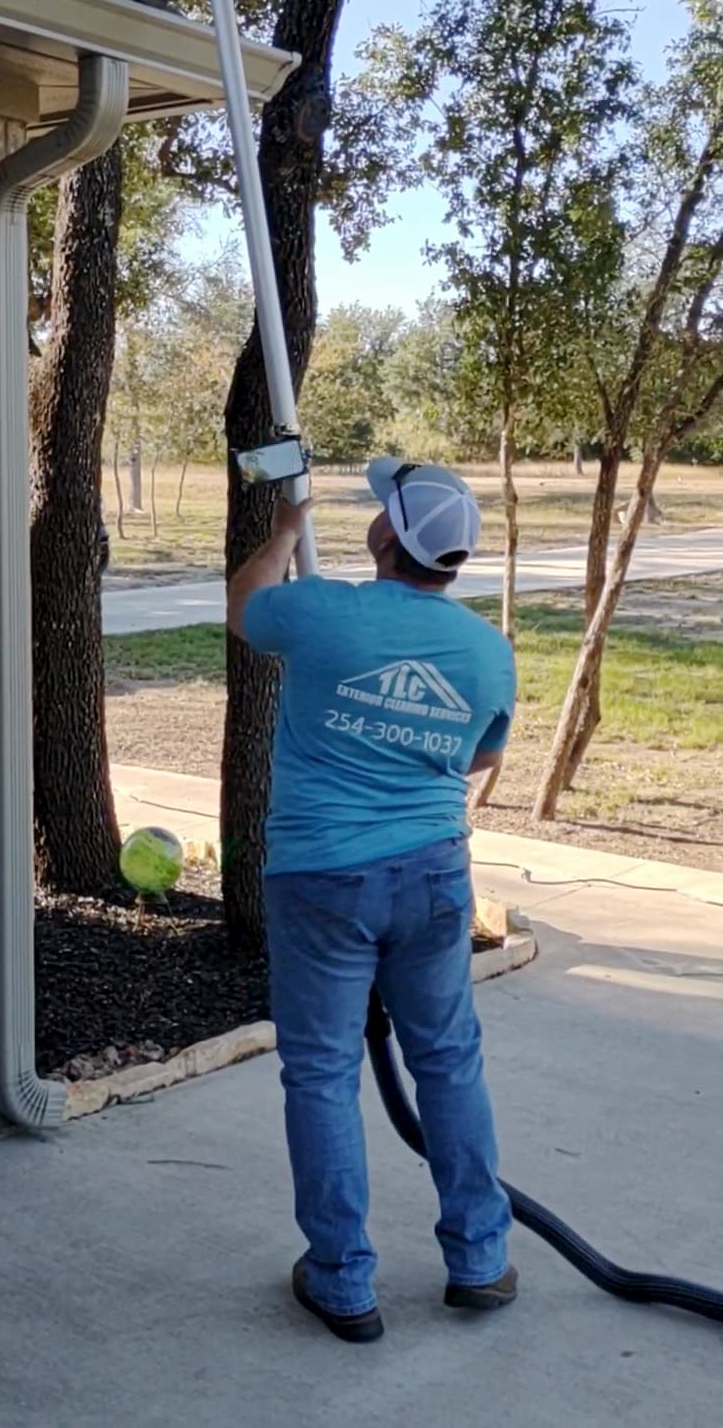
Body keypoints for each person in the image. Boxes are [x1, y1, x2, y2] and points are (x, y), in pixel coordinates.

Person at [227, 457, 517, 1344]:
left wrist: (283, 530)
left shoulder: (324, 613)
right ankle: (478, 1260)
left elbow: (245, 608)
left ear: (386, 537)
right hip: (433, 875)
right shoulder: (487, 651)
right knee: (449, 1060)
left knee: (320, 1072)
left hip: (322, 879)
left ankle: (343, 1283)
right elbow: (476, 758)